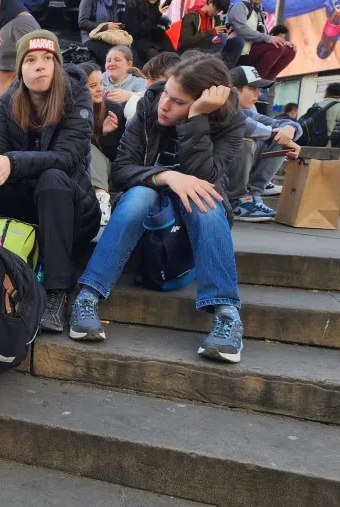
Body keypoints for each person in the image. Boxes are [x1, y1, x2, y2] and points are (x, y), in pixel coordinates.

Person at [71, 54, 247, 363]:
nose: (164, 105)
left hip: (195, 211)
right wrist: (166, 176)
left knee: (205, 202)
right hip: (149, 207)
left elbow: (206, 178)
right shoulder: (150, 105)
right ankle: (88, 295)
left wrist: (196, 120)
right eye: (166, 92)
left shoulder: (230, 122)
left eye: (178, 102)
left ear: (202, 104)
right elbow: (122, 170)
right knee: (139, 195)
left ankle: (226, 312)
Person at [0, 30, 101, 333]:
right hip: (29, 205)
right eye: (31, 60)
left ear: (57, 64)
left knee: (52, 179)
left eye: (48, 58)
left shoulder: (76, 94)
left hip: (73, 209)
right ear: (20, 68)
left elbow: (67, 157)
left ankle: (58, 292)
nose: (40, 66)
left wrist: (14, 162)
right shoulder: (10, 100)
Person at [229, 66, 301, 221]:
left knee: (281, 137)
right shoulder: (221, 106)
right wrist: (275, 133)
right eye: (253, 88)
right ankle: (235, 200)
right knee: (245, 139)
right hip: (211, 176)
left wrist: (289, 128)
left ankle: (252, 194)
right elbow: (245, 126)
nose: (258, 93)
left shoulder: (248, 111)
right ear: (234, 90)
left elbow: (279, 123)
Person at [79, 61, 125, 226]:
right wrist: (97, 132)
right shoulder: (71, 110)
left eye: (101, 84)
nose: (99, 89)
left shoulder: (113, 110)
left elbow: (118, 153)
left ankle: (101, 201)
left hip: (108, 169)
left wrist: (104, 135)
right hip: (79, 167)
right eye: (93, 85)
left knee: (88, 148)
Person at [227, 0, 295, 81]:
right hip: (239, 53)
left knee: (290, 51)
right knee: (277, 46)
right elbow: (241, 29)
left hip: (255, 50)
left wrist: (283, 42)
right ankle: (256, 81)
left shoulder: (260, 10)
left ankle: (266, 81)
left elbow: (263, 36)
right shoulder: (239, 6)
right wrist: (269, 38)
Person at [0, 0, 42, 100]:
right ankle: (5, 115)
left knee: (38, 75)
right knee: (5, 78)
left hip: (14, 22)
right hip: (7, 25)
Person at [177, 0, 243, 68]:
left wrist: (224, 35)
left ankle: (225, 70)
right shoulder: (191, 16)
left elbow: (216, 40)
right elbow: (185, 42)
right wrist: (211, 32)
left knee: (238, 41)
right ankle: (208, 68)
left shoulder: (215, 19)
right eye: (216, 9)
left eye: (219, 10)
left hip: (209, 50)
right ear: (210, 2)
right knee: (221, 38)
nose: (216, 12)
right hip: (190, 51)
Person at [124, 51, 180, 123]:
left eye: (154, 79)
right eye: (147, 78)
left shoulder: (184, 109)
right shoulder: (138, 102)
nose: (147, 85)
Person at [79, 0, 131, 65]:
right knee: (110, 53)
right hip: (91, 37)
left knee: (128, 51)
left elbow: (114, 21)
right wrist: (105, 27)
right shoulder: (88, 1)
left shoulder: (112, 1)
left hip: (109, 36)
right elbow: (82, 23)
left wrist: (117, 26)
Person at [123, 0, 172, 65]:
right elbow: (137, 31)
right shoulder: (132, 4)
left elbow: (154, 22)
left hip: (153, 36)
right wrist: (157, 13)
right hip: (137, 40)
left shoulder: (156, 3)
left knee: (170, 55)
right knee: (156, 57)